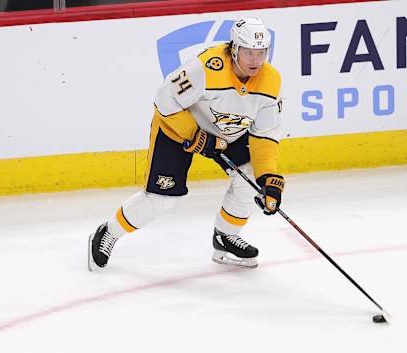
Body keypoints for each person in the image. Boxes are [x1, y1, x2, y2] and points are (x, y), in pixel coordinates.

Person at [88, 17, 284, 271]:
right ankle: (108, 232)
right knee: (162, 201)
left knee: (250, 177)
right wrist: (196, 136)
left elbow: (264, 134)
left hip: (227, 135)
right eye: (248, 52)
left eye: (261, 53)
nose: (255, 60)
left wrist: (269, 177)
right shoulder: (205, 68)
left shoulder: (271, 81)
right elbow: (164, 102)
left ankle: (225, 237)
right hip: (176, 130)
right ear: (234, 48)